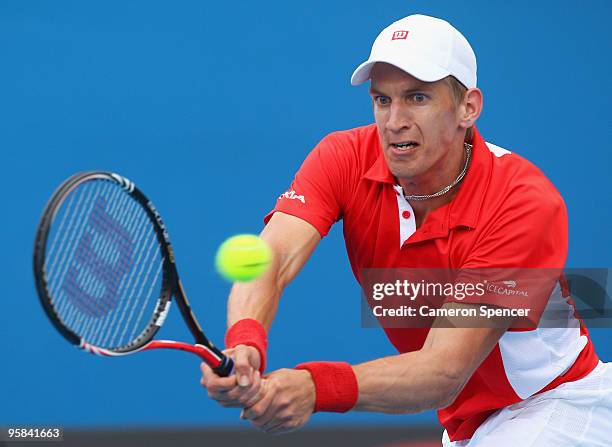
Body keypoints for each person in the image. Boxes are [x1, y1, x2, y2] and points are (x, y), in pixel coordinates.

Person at [200, 14, 612, 446]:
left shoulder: (522, 201)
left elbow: (444, 369)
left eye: (417, 98)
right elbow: (274, 257)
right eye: (382, 100)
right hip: (471, 423)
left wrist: (315, 387)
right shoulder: (342, 157)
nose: (394, 120)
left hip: (558, 405)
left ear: (467, 108)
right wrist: (245, 342)